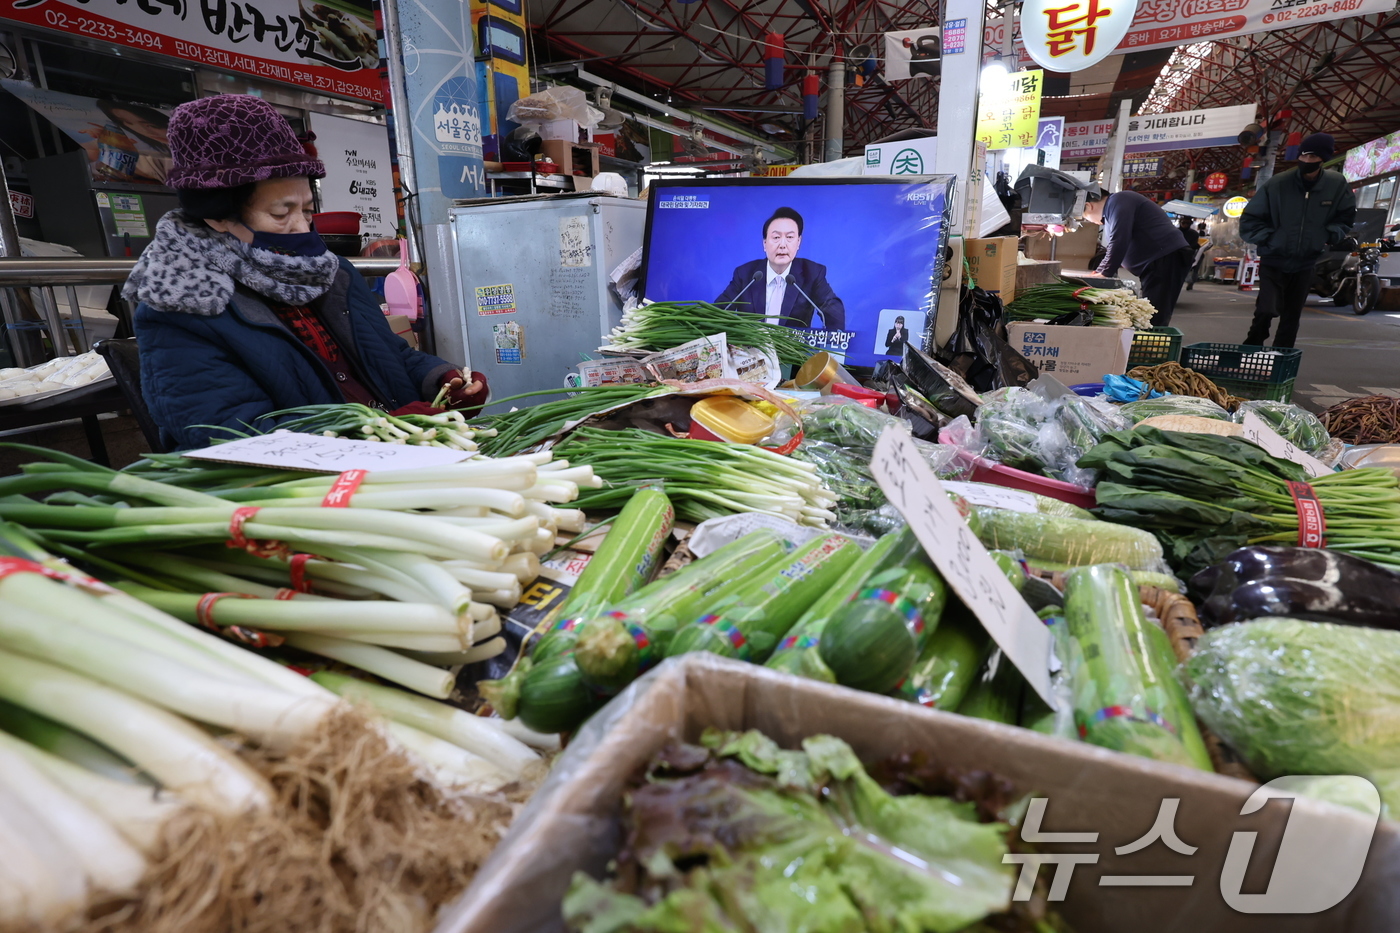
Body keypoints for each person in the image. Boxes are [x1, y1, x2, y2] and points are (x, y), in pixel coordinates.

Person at [123, 94, 487, 451]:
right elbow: (231, 434)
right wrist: (380, 432)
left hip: (401, 455)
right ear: (218, 216)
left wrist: (441, 379)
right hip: (304, 489)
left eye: (308, 210)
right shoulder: (183, 304)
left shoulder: (331, 273)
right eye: (281, 214)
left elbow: (389, 356)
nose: (301, 228)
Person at [1239, 132, 1357, 348]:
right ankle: (1250, 349)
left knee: (1292, 316)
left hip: (1306, 260)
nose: (1306, 161)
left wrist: (1328, 236)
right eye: (1303, 156)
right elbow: (1251, 218)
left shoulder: (1336, 184)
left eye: (1312, 157)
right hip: (1274, 259)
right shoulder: (1278, 184)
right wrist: (1270, 239)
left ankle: (1281, 358)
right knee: (1265, 310)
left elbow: (1346, 217)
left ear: (1324, 159)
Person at [714, 206, 845, 330]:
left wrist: (830, 349)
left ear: (798, 242)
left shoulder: (812, 273)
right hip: (750, 352)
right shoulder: (746, 275)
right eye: (776, 237)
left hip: (792, 353)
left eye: (789, 237)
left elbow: (834, 314)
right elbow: (717, 314)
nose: (782, 245)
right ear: (765, 243)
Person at [1082, 187, 1194, 326]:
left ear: (1088, 206)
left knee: (1154, 313)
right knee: (1150, 310)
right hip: (1157, 262)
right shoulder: (1113, 208)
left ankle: (1153, 342)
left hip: (1165, 257)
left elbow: (1119, 238)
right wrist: (1100, 271)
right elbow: (1115, 243)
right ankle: (1150, 340)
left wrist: (1104, 272)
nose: (1092, 222)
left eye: (1086, 217)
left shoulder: (1119, 200)